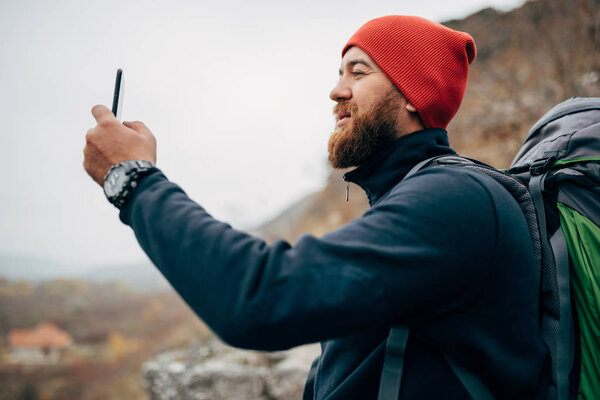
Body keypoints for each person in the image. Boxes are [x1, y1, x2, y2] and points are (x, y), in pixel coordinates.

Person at [83, 16, 548, 399]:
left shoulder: (456, 201)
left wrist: (135, 180)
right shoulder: (414, 197)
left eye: (358, 71)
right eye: (339, 73)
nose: (336, 91)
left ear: (413, 93)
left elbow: (261, 300)